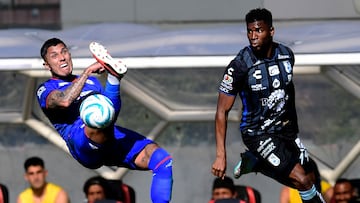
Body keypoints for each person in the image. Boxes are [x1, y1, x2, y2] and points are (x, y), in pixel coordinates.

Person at [36, 38, 173, 203]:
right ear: (47, 65)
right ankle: (113, 77)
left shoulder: (92, 82)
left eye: (64, 51)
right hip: (81, 141)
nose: (62, 57)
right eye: (54, 55)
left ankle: (114, 77)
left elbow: (111, 113)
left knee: (161, 159)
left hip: (108, 135)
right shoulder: (45, 89)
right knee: (98, 113)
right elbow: (64, 101)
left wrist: (113, 81)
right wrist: (87, 72)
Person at [211, 8, 325, 203]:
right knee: (303, 181)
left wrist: (293, 132)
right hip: (257, 134)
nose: (253, 36)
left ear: (271, 31)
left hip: (284, 131)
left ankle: (257, 163)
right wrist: (221, 155)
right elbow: (222, 111)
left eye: (258, 31)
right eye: (249, 31)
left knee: (309, 181)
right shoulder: (239, 66)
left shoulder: (286, 55)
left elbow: (288, 95)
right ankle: (258, 159)